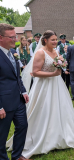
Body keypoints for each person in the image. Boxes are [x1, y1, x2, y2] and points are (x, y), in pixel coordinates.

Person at [7, 30, 74, 159]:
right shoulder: (40, 53)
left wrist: (61, 67)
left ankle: (60, 135)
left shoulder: (56, 52)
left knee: (60, 109)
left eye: (55, 39)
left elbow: (58, 66)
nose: (55, 42)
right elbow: (35, 72)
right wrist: (52, 74)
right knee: (44, 110)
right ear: (45, 40)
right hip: (43, 86)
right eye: (52, 39)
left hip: (57, 84)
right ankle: (40, 138)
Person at [0, 23, 30, 160]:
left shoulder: (13, 52)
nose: (15, 40)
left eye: (15, 36)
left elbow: (16, 76)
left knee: (23, 126)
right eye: (11, 37)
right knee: (2, 135)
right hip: (4, 103)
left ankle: (17, 156)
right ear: (1, 37)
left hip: (18, 100)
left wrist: (23, 91)